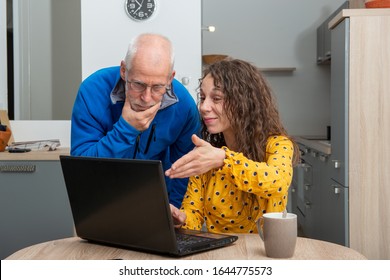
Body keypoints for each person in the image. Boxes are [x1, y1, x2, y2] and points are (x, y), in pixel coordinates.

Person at [166, 58, 299, 233]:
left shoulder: (278, 144)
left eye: (217, 98)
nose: (204, 107)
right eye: (203, 97)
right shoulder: (208, 156)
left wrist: (224, 159)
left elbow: (277, 182)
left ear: (244, 102)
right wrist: (180, 219)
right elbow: (193, 215)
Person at [71, 33, 201, 208]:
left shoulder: (184, 106)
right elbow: (81, 170)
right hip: (99, 199)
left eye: (157, 87)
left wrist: (173, 208)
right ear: (124, 70)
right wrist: (126, 128)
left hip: (153, 201)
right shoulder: (93, 90)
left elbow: (184, 170)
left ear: (170, 78)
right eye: (138, 84)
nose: (146, 98)